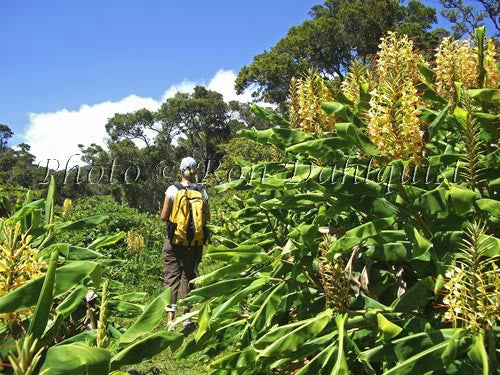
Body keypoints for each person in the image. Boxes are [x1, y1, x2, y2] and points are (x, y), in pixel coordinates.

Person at [160, 157, 209, 325]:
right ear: (195, 172)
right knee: (189, 276)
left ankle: (170, 320)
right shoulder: (201, 191)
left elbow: (164, 216)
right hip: (195, 243)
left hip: (174, 241)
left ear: (181, 170)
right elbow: (207, 217)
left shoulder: (172, 190)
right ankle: (187, 317)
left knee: (172, 276)